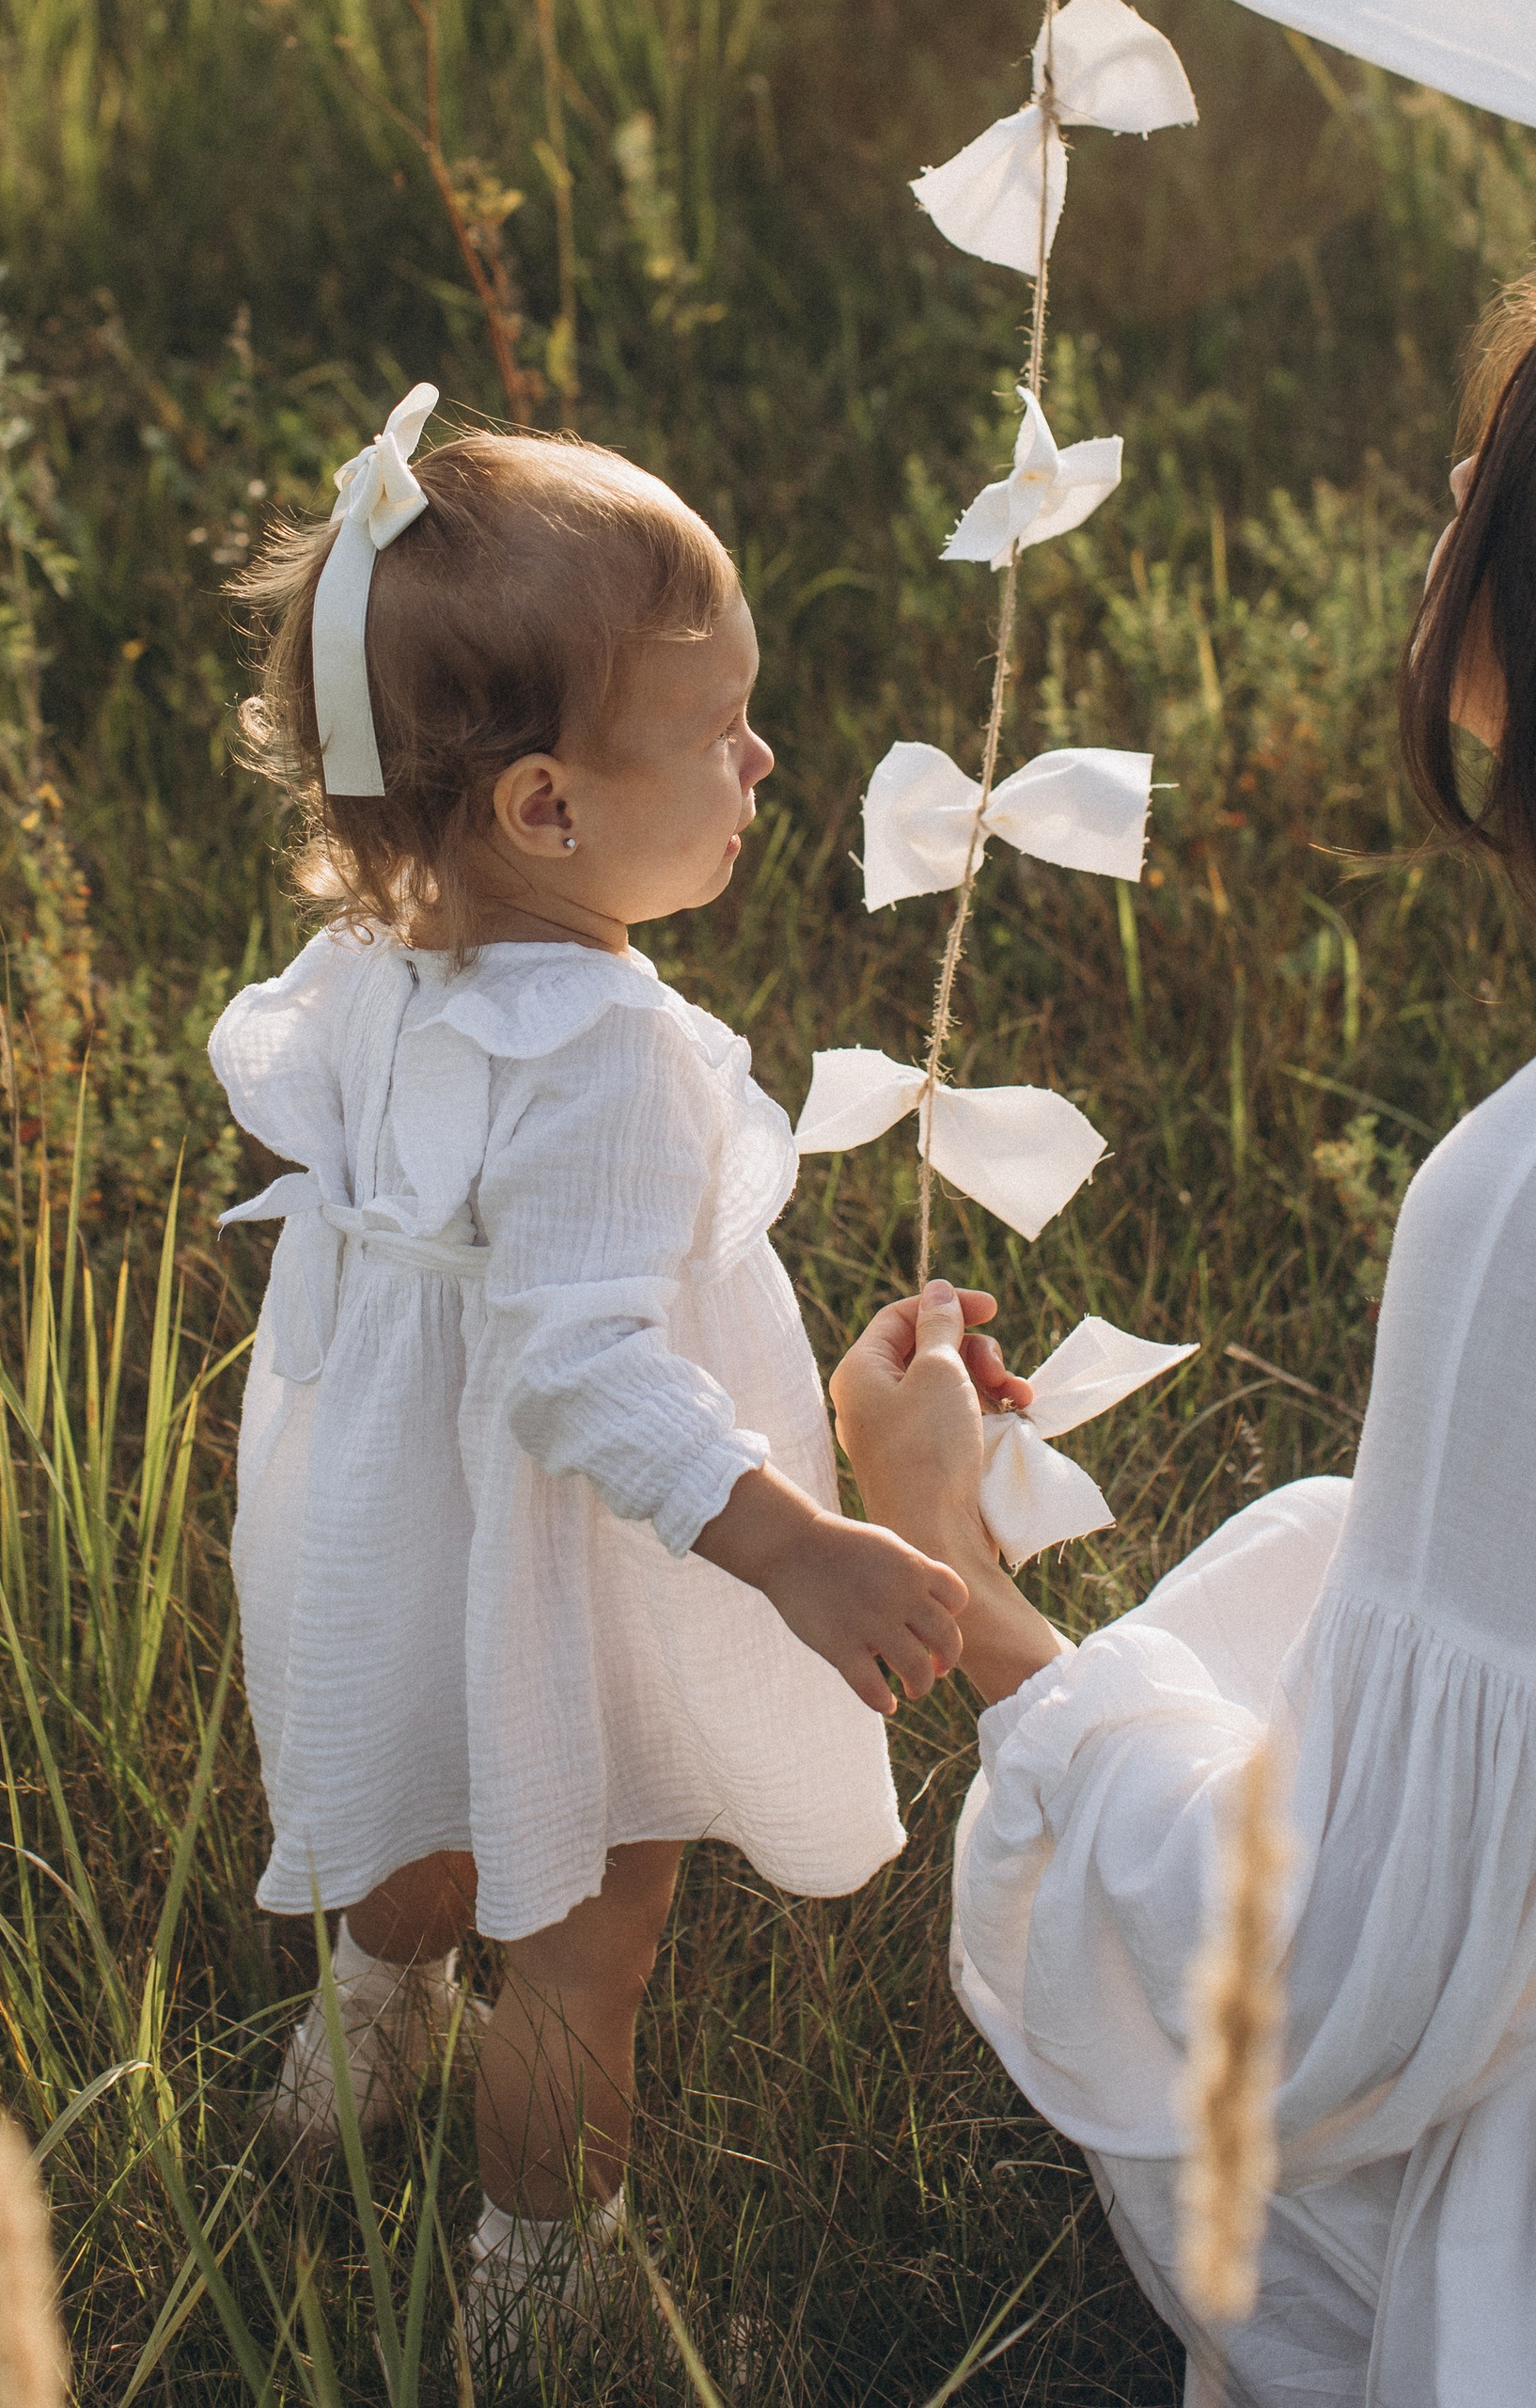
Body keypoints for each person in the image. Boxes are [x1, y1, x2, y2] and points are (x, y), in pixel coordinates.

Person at [833, 194, 1536, 2405]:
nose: (1440, 517)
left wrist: (965, 1588)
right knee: (1329, 1558)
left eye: (1477, 502)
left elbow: (1335, 1996)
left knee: (1256, 1772)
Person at [208, 396, 1008, 2360]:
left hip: (392, 1497)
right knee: (588, 1926)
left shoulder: (374, 957)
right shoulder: (611, 1054)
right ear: (545, 812)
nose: (759, 757)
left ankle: (357, 2051)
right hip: (568, 1541)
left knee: (415, 1809)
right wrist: (796, 1544)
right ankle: (536, 2294)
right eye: (722, 729)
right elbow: (580, 1373)